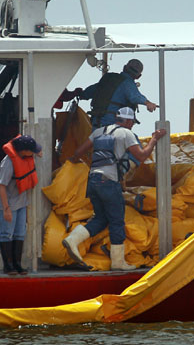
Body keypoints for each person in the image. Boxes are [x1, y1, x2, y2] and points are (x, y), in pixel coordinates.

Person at [63, 107, 166, 271]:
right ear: (128, 121)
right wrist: (153, 140)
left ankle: (73, 239)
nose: (132, 126)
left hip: (93, 180)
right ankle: (118, 262)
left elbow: (78, 152)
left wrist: (72, 162)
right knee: (117, 221)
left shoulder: (99, 132)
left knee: (100, 218)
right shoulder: (126, 134)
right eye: (132, 123)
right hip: (109, 182)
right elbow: (141, 156)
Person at [0, 134, 42, 275]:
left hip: (20, 201)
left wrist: (38, 151)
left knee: (20, 233)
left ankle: (17, 264)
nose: (33, 153)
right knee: (6, 233)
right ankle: (8, 265)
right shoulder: (8, 163)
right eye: (31, 150)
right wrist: (6, 209)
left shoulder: (26, 155)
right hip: (6, 201)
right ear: (23, 150)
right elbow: (2, 186)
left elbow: (38, 151)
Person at [79, 59, 158, 129]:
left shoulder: (108, 79)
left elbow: (88, 93)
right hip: (113, 127)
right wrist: (148, 103)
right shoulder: (128, 82)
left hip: (95, 124)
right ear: (138, 76)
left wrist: (78, 93)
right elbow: (135, 97)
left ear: (124, 68)